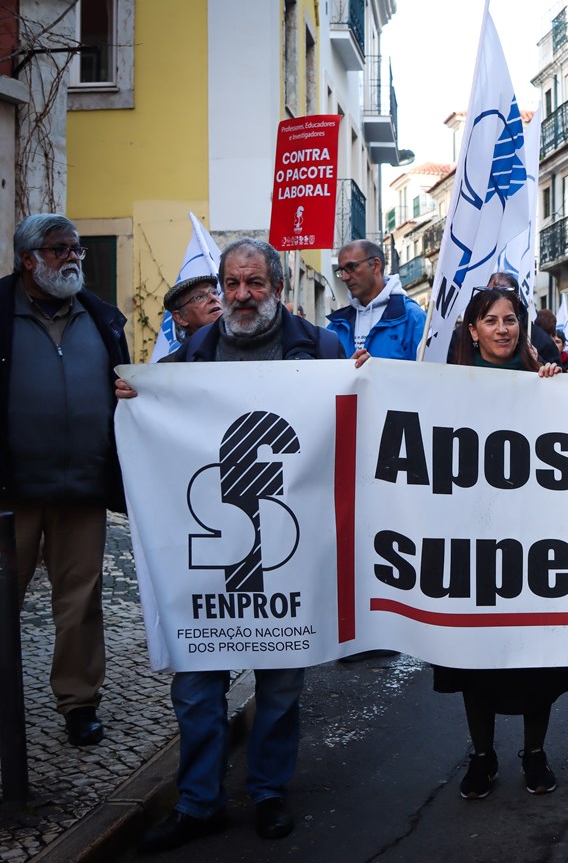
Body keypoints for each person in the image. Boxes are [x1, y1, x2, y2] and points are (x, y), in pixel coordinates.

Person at [118, 238, 345, 851]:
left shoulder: (323, 350)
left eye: (255, 283)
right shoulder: (186, 360)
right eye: (232, 285)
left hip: (285, 554)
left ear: (278, 288)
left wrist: (363, 380)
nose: (243, 296)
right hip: (208, 554)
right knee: (196, 688)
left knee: (280, 687)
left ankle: (268, 792)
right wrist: (137, 405)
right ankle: (199, 803)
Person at [440, 287, 568, 798]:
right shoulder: (444, 387)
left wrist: (557, 389)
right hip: (474, 540)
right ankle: (481, 755)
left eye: (510, 320)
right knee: (476, 657)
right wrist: (366, 375)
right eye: (491, 320)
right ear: (473, 330)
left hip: (534, 539)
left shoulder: (544, 382)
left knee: (536, 658)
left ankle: (534, 752)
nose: (503, 329)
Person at [1, 213, 128, 747]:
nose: (74, 257)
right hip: (11, 492)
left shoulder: (102, 318)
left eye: (76, 248)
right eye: (60, 249)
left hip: (82, 488)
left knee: (81, 602)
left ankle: (79, 703)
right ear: (28, 260)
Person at [326, 240, 426, 365]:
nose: (345, 277)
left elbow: (428, 373)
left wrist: (376, 369)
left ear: (376, 265)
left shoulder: (413, 319)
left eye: (351, 267)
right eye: (342, 271)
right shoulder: (336, 326)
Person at [487, 271, 562, 365]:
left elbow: (559, 372)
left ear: (517, 299)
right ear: (474, 332)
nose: (501, 330)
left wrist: (537, 361)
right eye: (490, 321)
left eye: (509, 320)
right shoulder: (470, 336)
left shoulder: (541, 340)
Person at [161, 275, 222, 359]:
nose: (213, 298)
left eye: (214, 293)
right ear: (180, 317)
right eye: (199, 297)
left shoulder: (239, 347)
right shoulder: (172, 364)